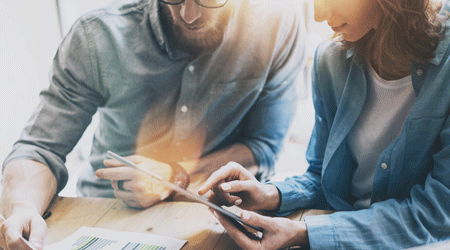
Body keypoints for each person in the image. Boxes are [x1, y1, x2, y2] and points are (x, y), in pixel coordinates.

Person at [0, 0, 306, 248]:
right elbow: (39, 147)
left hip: (213, 216)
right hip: (103, 212)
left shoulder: (278, 23)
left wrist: (176, 176)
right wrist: (22, 208)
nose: (188, 14)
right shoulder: (96, 35)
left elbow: (263, 148)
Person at [198, 0, 450, 249]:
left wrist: (305, 233)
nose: (317, 15)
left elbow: (437, 214)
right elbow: (326, 178)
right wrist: (269, 194)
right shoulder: (331, 61)